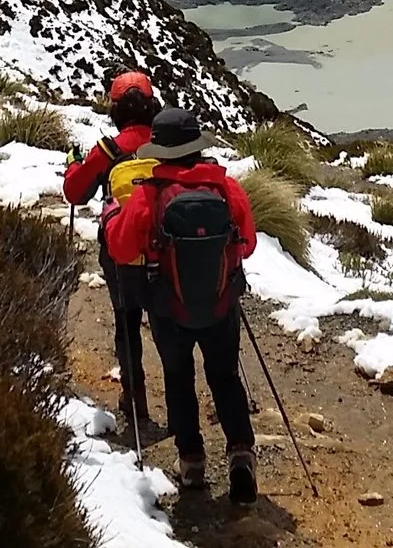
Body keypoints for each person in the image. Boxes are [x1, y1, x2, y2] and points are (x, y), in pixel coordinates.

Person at [106, 106, 259, 503]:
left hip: (168, 306)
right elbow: (249, 242)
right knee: (224, 376)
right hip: (221, 302)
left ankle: (192, 462)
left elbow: (121, 249)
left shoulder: (148, 195)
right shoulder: (225, 188)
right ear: (196, 146)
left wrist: (111, 217)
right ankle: (241, 452)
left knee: (178, 378)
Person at [64, 67, 165, 442]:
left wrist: (75, 164)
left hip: (122, 253)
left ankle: (134, 396)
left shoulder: (108, 150)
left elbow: (75, 193)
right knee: (167, 324)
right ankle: (179, 403)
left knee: (126, 322)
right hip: (163, 249)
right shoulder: (167, 144)